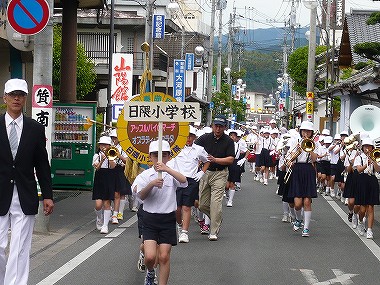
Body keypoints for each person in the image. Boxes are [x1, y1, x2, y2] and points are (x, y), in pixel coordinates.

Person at [0, 78, 54, 285]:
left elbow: (42, 164)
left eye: (20, 95)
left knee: (20, 248)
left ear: (25, 99)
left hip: (25, 194)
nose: (16, 98)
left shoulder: (35, 128)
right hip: (1, 193)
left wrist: (48, 195)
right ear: (5, 97)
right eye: (12, 94)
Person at [133, 140, 187, 285]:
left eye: (164, 155)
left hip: (168, 219)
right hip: (149, 218)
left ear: (169, 157)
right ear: (150, 157)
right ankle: (150, 272)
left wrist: (167, 170)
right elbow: (141, 196)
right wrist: (151, 185)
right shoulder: (144, 176)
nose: (160, 159)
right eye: (156, 155)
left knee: (163, 257)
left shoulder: (171, 174)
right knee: (150, 257)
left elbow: (184, 181)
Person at [195, 114, 235, 241]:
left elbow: (230, 159)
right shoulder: (204, 138)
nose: (218, 129)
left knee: (216, 203)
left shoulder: (228, 141)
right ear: (212, 126)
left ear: (225, 127)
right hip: (205, 172)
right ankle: (216, 218)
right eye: (216, 126)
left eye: (220, 127)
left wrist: (215, 159)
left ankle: (213, 231)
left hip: (220, 173)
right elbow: (194, 150)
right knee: (201, 204)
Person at [174, 126, 210, 243]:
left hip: (191, 180)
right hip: (177, 179)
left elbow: (207, 160)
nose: (188, 138)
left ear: (194, 137)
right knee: (177, 208)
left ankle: (185, 232)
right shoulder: (175, 148)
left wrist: (201, 173)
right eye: (186, 136)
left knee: (186, 206)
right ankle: (179, 224)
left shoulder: (199, 149)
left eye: (190, 136)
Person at [287, 121, 318, 237]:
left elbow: (315, 159)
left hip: (308, 170)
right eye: (304, 131)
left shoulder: (314, 143)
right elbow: (291, 158)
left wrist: (310, 149)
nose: (306, 133)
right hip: (297, 169)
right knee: (298, 204)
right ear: (301, 132)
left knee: (307, 201)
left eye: (308, 131)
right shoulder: (295, 141)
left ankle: (306, 228)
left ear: (311, 133)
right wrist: (298, 149)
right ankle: (298, 219)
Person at [353, 138, 380, 239]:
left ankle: (369, 230)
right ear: (363, 147)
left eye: (369, 146)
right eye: (365, 146)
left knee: (370, 207)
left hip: (372, 180)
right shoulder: (359, 157)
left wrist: (374, 161)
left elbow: (378, 170)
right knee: (362, 208)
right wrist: (366, 163)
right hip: (362, 180)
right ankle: (360, 222)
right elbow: (359, 170)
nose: (367, 148)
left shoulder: (376, 156)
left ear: (372, 147)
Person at [92, 135, 117, 234]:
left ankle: (105, 225)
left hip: (109, 179)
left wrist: (110, 158)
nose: (104, 147)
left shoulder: (112, 155)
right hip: (99, 179)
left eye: (106, 145)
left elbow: (113, 166)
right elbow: (97, 168)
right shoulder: (96, 156)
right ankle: (99, 217)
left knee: (107, 203)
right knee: (98, 205)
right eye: (102, 145)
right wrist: (102, 159)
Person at [109, 129, 132, 222]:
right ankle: (112, 210)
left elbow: (127, 161)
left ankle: (120, 212)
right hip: (111, 170)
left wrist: (119, 155)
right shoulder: (110, 146)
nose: (114, 139)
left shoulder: (124, 147)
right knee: (112, 192)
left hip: (121, 170)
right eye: (112, 138)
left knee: (122, 192)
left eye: (115, 138)